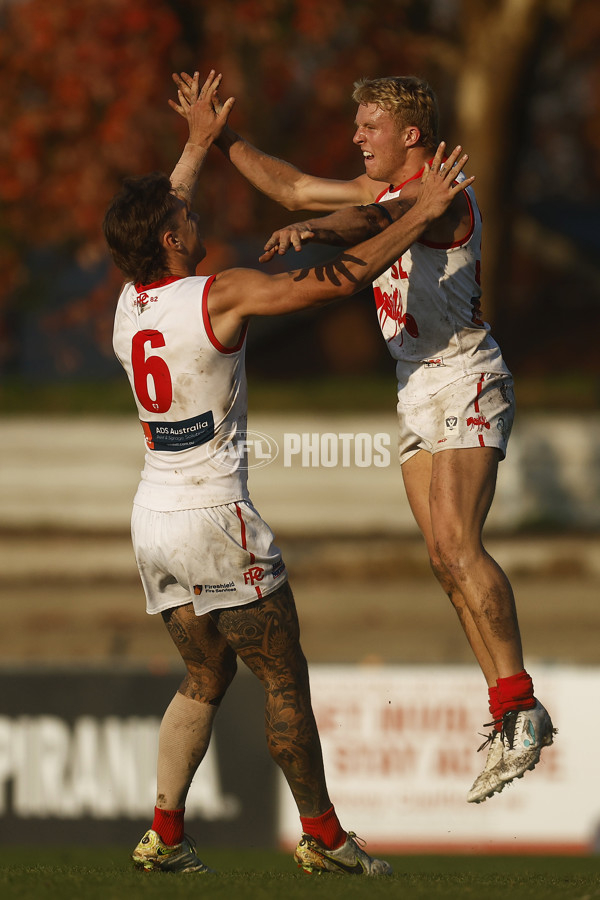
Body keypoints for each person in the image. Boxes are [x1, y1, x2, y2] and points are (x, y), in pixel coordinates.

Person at [103, 70, 472, 875]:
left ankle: (165, 835)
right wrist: (419, 215)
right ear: (170, 241)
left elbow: (154, 216)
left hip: (152, 519)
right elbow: (336, 280)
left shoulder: (130, 307)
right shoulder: (218, 295)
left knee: (203, 674)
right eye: (186, 218)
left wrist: (197, 147)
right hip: (213, 517)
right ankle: (325, 837)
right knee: (283, 678)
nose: (191, 217)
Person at [170, 71, 556, 804]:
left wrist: (321, 229)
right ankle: (508, 715)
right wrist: (220, 141)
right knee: (444, 560)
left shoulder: (439, 196)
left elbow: (367, 222)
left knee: (459, 544)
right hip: (416, 388)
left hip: (464, 375)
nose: (356, 136)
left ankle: (522, 702)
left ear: (409, 135)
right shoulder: (385, 193)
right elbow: (289, 188)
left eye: (369, 126)